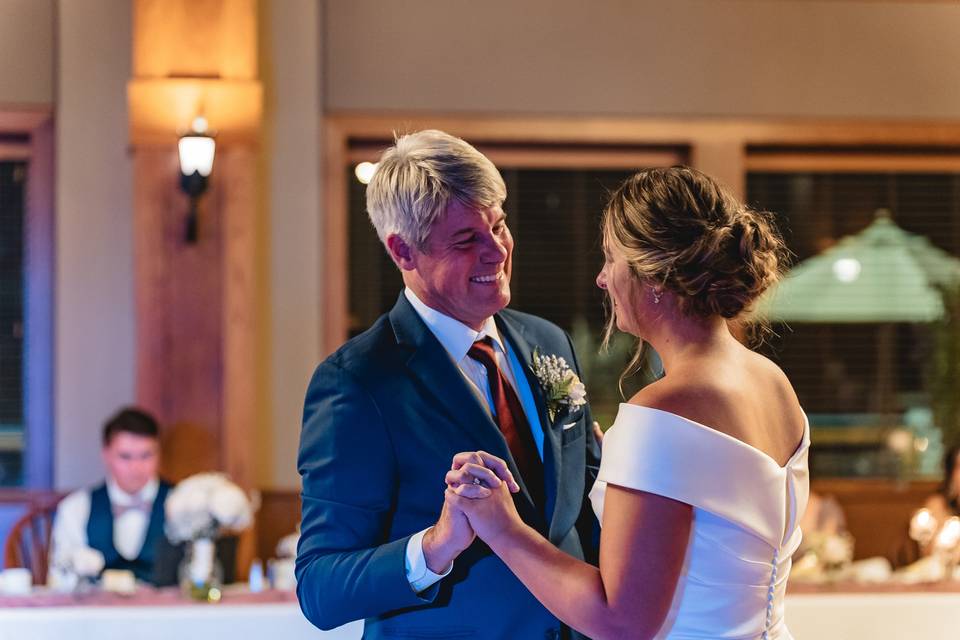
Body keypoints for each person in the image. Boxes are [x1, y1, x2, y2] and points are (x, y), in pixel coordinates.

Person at [445, 166, 809, 639]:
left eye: (611, 258)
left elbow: (619, 621)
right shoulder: (773, 383)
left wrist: (502, 527)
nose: (601, 279)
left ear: (654, 276)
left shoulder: (662, 412)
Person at [295, 130, 601, 639]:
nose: (496, 252)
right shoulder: (357, 381)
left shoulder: (550, 342)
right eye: (466, 241)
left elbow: (583, 509)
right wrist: (436, 545)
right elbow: (320, 590)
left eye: (499, 227)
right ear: (403, 252)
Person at [49, 407, 174, 586]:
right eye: (125, 456)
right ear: (106, 455)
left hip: (168, 613)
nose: (136, 467)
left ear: (159, 453)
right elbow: (60, 579)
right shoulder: (75, 507)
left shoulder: (185, 505)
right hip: (96, 612)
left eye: (146, 455)